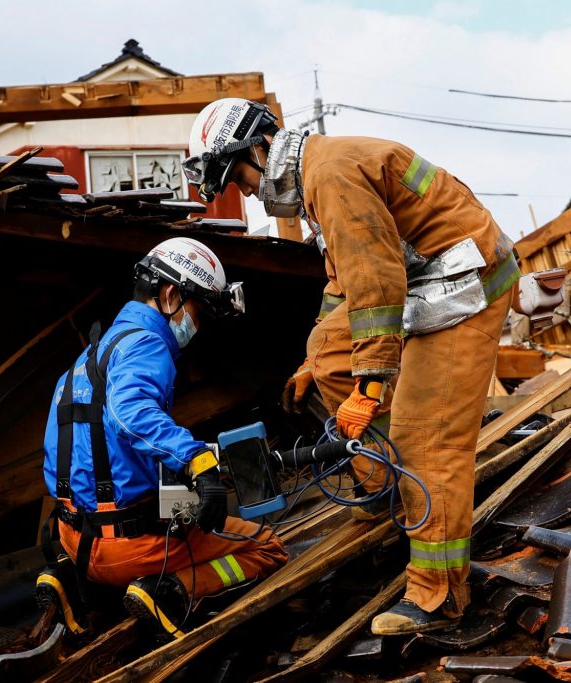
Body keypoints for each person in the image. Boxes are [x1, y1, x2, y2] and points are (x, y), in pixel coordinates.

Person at [183, 99, 519, 635]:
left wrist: (368, 386)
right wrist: (315, 361)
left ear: (257, 148)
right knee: (326, 351)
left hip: (464, 287)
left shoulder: (331, 176)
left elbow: (376, 286)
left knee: (426, 439)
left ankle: (438, 595)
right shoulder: (318, 176)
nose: (244, 192)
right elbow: (343, 283)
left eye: (238, 178)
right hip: (421, 278)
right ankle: (383, 482)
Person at [36, 237, 288, 639]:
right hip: (128, 548)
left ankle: (73, 583)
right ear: (170, 293)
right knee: (267, 545)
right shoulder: (147, 343)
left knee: (169, 504)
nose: (197, 326)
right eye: (198, 311)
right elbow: (130, 414)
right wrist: (197, 462)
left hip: (73, 538)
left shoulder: (91, 355)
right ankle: (170, 591)